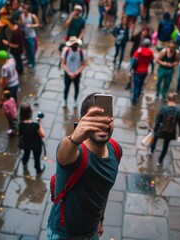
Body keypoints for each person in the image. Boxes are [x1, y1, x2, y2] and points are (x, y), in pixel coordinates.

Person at [47, 92, 123, 239]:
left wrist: (101, 219)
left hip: (92, 231)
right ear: (83, 121)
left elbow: (104, 190)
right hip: (64, 235)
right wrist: (74, 138)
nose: (101, 125)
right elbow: (63, 153)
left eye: (106, 118)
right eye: (93, 119)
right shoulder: (76, 153)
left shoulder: (116, 150)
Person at [150, 93, 180, 167]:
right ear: (175, 100)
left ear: (168, 99)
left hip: (161, 130)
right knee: (166, 146)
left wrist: (154, 129)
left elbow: (158, 121)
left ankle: (151, 149)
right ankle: (160, 160)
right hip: (171, 132)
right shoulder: (179, 111)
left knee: (155, 137)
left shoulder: (163, 109)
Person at [18, 102, 46, 176]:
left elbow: (20, 134)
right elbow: (42, 135)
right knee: (37, 158)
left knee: (26, 154)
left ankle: (24, 162)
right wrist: (39, 122)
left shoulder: (20, 124)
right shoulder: (35, 125)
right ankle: (38, 169)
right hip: (36, 145)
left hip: (26, 144)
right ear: (30, 112)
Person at [60, 36, 86, 108]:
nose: (74, 46)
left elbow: (83, 65)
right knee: (66, 87)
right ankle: (65, 100)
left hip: (76, 74)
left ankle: (75, 100)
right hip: (68, 73)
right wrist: (69, 73)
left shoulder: (81, 52)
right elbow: (63, 64)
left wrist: (76, 73)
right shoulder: (66, 52)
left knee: (76, 87)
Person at [130, 38, 154, 106]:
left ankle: (134, 100)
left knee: (136, 86)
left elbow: (133, 60)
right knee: (141, 84)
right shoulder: (151, 52)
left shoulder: (139, 51)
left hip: (137, 71)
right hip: (145, 71)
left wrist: (131, 68)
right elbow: (152, 62)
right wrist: (152, 70)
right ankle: (139, 94)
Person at [19, 4, 40, 72]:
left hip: (31, 36)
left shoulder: (32, 16)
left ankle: (33, 64)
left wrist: (31, 25)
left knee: (31, 51)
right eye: (23, 10)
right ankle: (29, 61)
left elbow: (37, 24)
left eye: (25, 10)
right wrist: (21, 24)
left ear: (28, 11)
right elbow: (20, 22)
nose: (24, 11)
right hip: (25, 35)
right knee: (27, 50)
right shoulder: (21, 16)